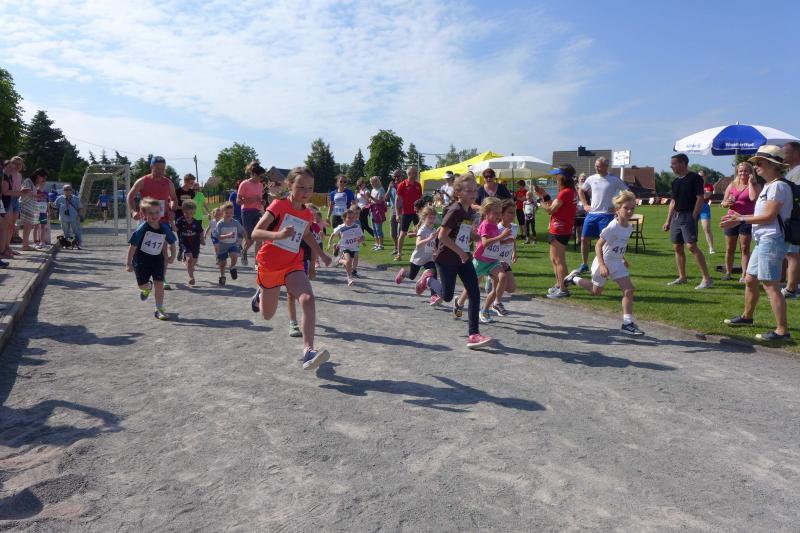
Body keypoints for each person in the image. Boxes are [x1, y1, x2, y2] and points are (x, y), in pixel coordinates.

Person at [251, 166, 333, 370]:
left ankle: (308, 351)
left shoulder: (307, 213)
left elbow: (307, 235)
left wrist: (321, 254)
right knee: (267, 315)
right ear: (289, 185)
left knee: (308, 298)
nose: (306, 192)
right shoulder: (278, 205)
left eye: (310, 188)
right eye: (301, 187)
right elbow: (255, 233)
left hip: (292, 263)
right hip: (270, 265)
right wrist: (277, 235)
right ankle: (260, 294)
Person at [721, 145, 793, 341]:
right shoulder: (769, 186)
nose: (756, 166)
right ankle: (747, 317)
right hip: (763, 240)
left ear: (772, 165)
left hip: (772, 239)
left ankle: (782, 330)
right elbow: (762, 214)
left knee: (770, 285)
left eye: (759, 163)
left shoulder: (778, 186)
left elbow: (769, 216)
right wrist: (739, 217)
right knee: (750, 279)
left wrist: (740, 219)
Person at [426, 172, 493, 349]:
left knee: (474, 292)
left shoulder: (469, 211)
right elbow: (442, 236)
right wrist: (461, 252)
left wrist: (476, 236)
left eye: (475, 190)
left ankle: (474, 334)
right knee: (447, 296)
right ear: (458, 193)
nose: (473, 194)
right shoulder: (455, 210)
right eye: (469, 191)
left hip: (463, 258)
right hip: (446, 258)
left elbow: (461, 232)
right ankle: (429, 280)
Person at [565, 190, 644, 336]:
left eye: (632, 208)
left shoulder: (629, 227)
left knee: (628, 290)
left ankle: (627, 323)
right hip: (604, 262)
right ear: (617, 209)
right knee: (596, 292)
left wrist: (623, 258)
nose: (629, 211)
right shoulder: (613, 226)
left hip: (617, 263)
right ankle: (574, 278)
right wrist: (602, 265)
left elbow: (619, 245)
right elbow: (598, 245)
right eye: (626, 208)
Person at [454, 197, 510, 323]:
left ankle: (490, 306)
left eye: (500, 213)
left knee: (502, 277)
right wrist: (502, 236)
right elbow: (485, 243)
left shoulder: (494, 225)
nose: (499, 216)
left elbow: (494, 242)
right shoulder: (485, 225)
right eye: (496, 213)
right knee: (471, 288)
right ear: (487, 212)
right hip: (480, 261)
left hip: (493, 261)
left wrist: (504, 241)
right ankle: (460, 303)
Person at [663, 154, 713, 289]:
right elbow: (673, 201)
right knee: (677, 247)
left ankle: (707, 279)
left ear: (683, 163)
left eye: (674, 163)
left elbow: (700, 198)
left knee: (691, 246)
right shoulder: (675, 182)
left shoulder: (695, 178)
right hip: (676, 217)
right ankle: (682, 277)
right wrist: (668, 220)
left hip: (688, 215)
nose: (671, 166)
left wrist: (694, 216)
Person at [127, 156, 178, 290]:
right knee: (141, 248)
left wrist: (172, 208)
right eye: (157, 169)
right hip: (145, 220)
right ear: (151, 167)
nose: (160, 172)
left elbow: (174, 198)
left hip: (162, 220)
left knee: (163, 250)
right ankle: (143, 276)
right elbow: (130, 196)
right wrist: (133, 212)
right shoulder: (143, 181)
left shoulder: (168, 183)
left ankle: (162, 277)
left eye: (163, 169)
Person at [126, 197, 176, 321]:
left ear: (161, 212)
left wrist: (172, 256)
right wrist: (128, 263)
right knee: (142, 285)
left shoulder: (164, 227)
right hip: (141, 260)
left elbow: (172, 242)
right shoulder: (142, 228)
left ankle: (159, 308)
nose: (154, 215)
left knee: (159, 284)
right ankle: (148, 287)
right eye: (151, 213)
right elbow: (133, 246)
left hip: (157, 260)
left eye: (157, 212)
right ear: (144, 214)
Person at [576, 157, 628, 273]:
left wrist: (618, 207)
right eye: (596, 166)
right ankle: (584, 264)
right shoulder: (591, 178)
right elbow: (580, 190)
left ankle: (610, 264)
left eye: (599, 166)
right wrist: (585, 205)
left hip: (607, 215)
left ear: (606, 166)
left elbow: (627, 192)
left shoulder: (614, 179)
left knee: (607, 242)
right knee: (584, 239)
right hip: (592, 215)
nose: (597, 168)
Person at [539, 164, 577, 298]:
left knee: (558, 260)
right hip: (562, 228)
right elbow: (555, 205)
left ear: (563, 177)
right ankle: (559, 284)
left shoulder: (565, 192)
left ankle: (563, 289)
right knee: (555, 259)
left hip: (559, 229)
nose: (556, 178)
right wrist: (544, 195)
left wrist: (540, 201)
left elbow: (550, 209)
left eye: (557, 175)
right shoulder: (570, 191)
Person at [720, 162, 760, 282]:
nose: (743, 173)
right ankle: (728, 272)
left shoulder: (755, 185)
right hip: (731, 219)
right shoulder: (732, 185)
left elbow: (753, 198)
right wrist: (726, 203)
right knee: (729, 248)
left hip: (746, 219)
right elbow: (723, 203)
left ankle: (744, 274)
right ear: (737, 172)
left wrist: (750, 183)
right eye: (740, 171)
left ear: (751, 172)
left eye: (745, 171)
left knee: (744, 248)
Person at [395, 205, 440, 305]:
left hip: (428, 258)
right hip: (418, 258)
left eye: (433, 218)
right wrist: (429, 238)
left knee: (434, 273)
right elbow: (418, 244)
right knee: (412, 276)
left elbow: (433, 244)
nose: (432, 220)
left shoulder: (434, 230)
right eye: (430, 218)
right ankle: (403, 273)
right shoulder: (422, 230)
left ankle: (433, 296)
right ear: (424, 218)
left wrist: (436, 251)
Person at [238, 161, 266, 266]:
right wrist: (250, 200)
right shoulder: (244, 184)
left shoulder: (260, 185)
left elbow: (260, 199)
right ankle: (244, 251)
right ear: (254, 174)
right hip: (246, 213)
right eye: (260, 176)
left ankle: (257, 263)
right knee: (250, 240)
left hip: (257, 212)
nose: (262, 179)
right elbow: (238, 201)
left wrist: (262, 202)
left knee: (258, 238)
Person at [492, 199, 518, 315]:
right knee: (495, 289)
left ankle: (494, 302)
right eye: (509, 212)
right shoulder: (497, 228)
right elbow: (490, 244)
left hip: (506, 261)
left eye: (514, 213)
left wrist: (514, 252)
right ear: (501, 214)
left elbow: (513, 240)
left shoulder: (514, 227)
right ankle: (496, 304)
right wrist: (504, 241)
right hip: (495, 261)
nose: (513, 215)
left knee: (511, 288)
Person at [781, 141, 800, 299]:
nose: (782, 156)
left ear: (795, 154)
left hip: (796, 219)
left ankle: (792, 288)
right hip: (792, 219)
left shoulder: (798, 172)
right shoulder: (791, 171)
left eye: (785, 152)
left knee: (792, 253)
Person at [328, 207, 364, 286]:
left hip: (354, 247)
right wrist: (329, 243)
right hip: (345, 247)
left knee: (352, 260)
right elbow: (333, 234)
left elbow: (362, 236)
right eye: (349, 217)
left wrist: (360, 240)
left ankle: (339, 260)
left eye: (352, 217)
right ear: (344, 218)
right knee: (348, 261)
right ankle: (349, 278)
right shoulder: (341, 227)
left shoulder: (357, 226)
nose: (351, 219)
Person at [395, 165, 423, 261]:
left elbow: (421, 199)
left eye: (416, 172)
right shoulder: (402, 185)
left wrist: (422, 212)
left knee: (420, 232)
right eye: (415, 172)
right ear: (409, 174)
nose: (416, 174)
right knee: (402, 233)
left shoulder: (418, 185)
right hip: (406, 213)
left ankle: (420, 253)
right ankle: (399, 254)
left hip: (417, 213)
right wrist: (397, 214)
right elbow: (397, 200)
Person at [212, 201, 244, 286]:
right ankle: (222, 276)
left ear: (233, 213)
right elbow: (219, 237)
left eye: (231, 212)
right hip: (222, 246)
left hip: (232, 244)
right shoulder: (220, 224)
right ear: (222, 213)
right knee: (222, 263)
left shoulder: (235, 222)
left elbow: (242, 231)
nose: (229, 214)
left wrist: (247, 238)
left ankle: (232, 267)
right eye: (227, 212)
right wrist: (228, 235)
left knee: (234, 256)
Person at [175, 199, 204, 286]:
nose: (188, 215)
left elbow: (201, 231)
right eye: (186, 213)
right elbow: (176, 229)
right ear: (183, 212)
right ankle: (191, 277)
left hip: (195, 244)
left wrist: (202, 239)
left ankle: (189, 266)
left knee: (193, 261)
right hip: (185, 243)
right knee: (190, 259)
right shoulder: (180, 221)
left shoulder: (196, 222)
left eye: (191, 213)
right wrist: (171, 223)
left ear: (194, 213)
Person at [20, 170, 41, 251]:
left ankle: (26, 245)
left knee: (29, 227)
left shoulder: (33, 183)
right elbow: (25, 192)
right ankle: (25, 246)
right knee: (27, 227)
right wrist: (34, 195)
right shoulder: (28, 181)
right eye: (43, 178)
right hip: (26, 206)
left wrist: (35, 195)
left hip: (30, 207)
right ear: (38, 176)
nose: (43, 181)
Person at [698, 170, 716, 254]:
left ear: (705, 177)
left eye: (701, 176)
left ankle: (711, 248)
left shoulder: (709, 186)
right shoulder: (693, 185)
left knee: (706, 228)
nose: (700, 178)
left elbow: (705, 196)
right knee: (692, 228)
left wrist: (700, 186)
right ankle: (693, 247)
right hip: (694, 207)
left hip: (704, 207)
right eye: (698, 176)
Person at [369, 176, 387, 251]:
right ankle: (377, 244)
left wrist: (370, 197)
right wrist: (370, 199)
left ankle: (381, 245)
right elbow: (371, 200)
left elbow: (379, 201)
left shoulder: (381, 189)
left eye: (372, 182)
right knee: (374, 229)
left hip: (378, 210)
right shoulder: (373, 190)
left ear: (377, 181)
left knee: (378, 228)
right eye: (371, 182)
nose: (371, 184)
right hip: (373, 209)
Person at [385, 172, 401, 255]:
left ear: (401, 176)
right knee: (393, 232)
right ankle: (396, 247)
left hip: (402, 210)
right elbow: (386, 198)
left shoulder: (403, 185)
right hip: (393, 210)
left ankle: (399, 249)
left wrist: (395, 187)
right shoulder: (391, 186)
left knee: (399, 231)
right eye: (395, 177)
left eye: (398, 176)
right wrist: (389, 188)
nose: (396, 178)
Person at [34, 171, 50, 248]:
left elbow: (47, 203)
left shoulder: (46, 193)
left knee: (43, 227)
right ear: (38, 183)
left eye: (44, 182)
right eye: (41, 182)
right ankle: (35, 242)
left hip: (43, 213)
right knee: (36, 227)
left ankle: (42, 242)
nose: (42, 184)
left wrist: (49, 212)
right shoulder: (35, 191)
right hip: (36, 212)